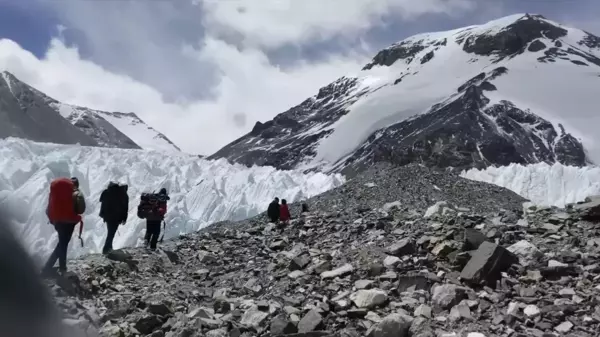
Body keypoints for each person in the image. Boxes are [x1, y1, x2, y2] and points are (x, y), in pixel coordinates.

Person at [42, 177, 86, 275]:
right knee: (63, 243)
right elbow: (79, 208)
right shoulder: (74, 192)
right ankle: (60, 268)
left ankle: (48, 267)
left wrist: (53, 220)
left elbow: (49, 208)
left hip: (58, 221)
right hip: (70, 221)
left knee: (62, 243)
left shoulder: (56, 192)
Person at [99, 182, 129, 254]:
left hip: (108, 216)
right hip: (117, 217)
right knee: (111, 233)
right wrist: (124, 218)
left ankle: (109, 247)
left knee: (110, 232)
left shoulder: (107, 192)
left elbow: (102, 202)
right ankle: (106, 249)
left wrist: (103, 214)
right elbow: (125, 208)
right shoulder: (124, 195)